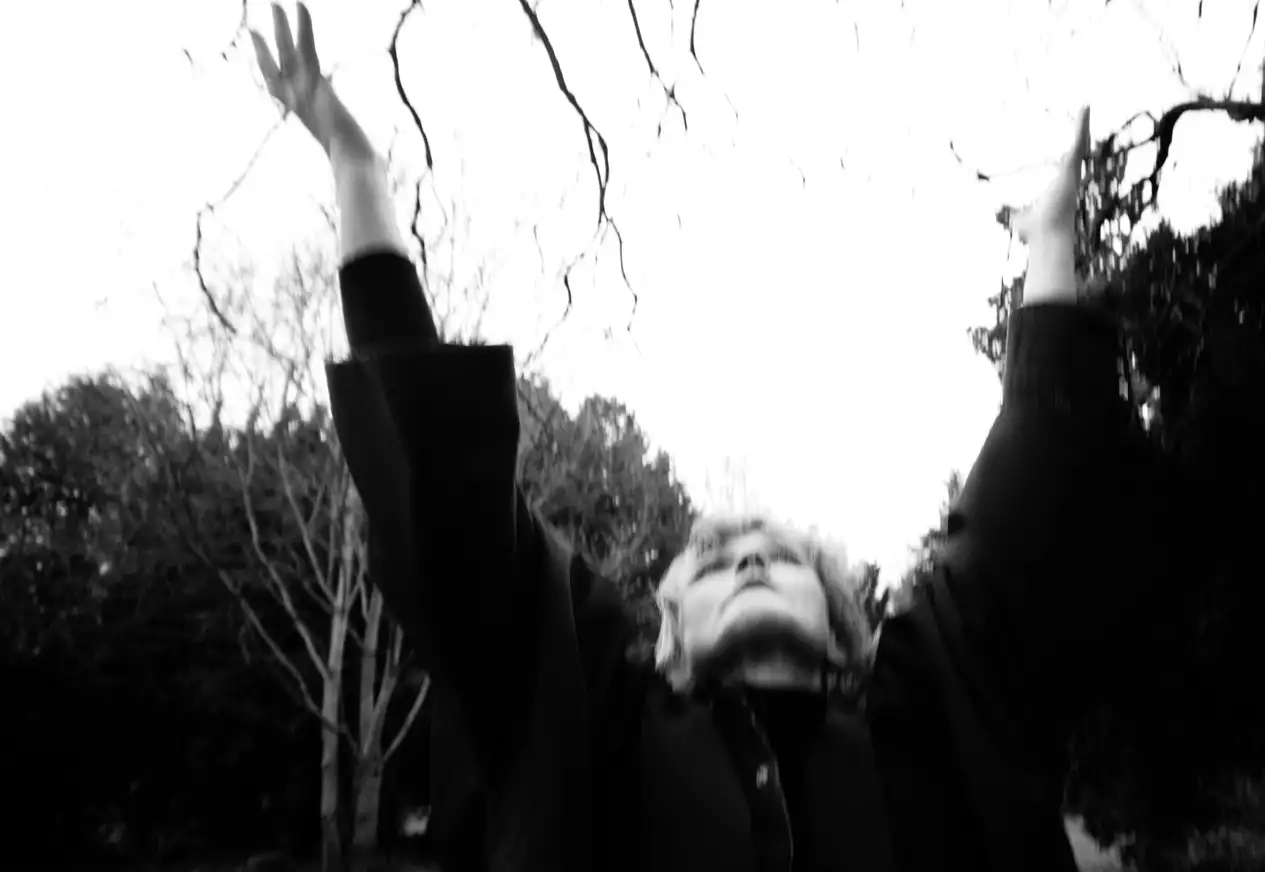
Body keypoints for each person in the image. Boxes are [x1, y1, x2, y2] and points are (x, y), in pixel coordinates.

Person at [254, 4, 1150, 871]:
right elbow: (446, 490)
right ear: (668, 636)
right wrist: (356, 171)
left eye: (778, 560)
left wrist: (1051, 243)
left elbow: (1024, 520)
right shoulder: (587, 722)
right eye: (718, 565)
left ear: (848, 636)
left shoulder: (934, 724)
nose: (752, 563)